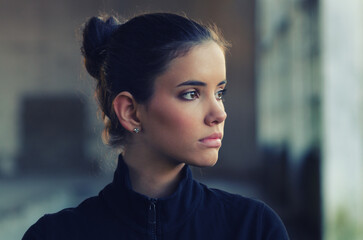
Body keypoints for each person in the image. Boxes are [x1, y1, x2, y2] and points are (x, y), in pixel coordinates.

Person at [23, 12, 289, 240]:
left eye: (220, 92)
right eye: (191, 94)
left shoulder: (254, 228)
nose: (219, 113)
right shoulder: (54, 234)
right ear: (131, 113)